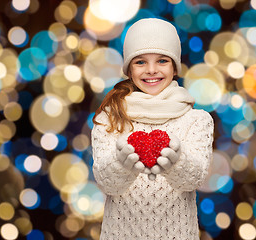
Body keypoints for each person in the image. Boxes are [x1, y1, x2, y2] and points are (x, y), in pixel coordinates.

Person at [91, 18, 214, 240]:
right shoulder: (109, 119)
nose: (151, 70)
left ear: (175, 67)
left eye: (162, 61)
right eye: (140, 62)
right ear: (129, 69)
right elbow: (106, 182)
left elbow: (195, 178)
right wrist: (122, 162)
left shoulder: (197, 120)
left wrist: (177, 160)